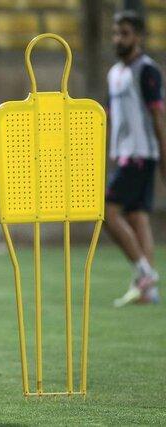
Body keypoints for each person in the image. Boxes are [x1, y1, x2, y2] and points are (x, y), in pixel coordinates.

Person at [105, 11, 166, 307]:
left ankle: (144, 272)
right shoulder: (114, 73)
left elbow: (157, 115)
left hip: (140, 154)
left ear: (138, 37)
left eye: (124, 33)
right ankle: (148, 291)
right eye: (116, 33)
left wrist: (164, 154)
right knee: (137, 216)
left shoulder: (147, 70)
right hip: (124, 154)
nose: (118, 39)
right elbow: (110, 116)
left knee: (106, 211)